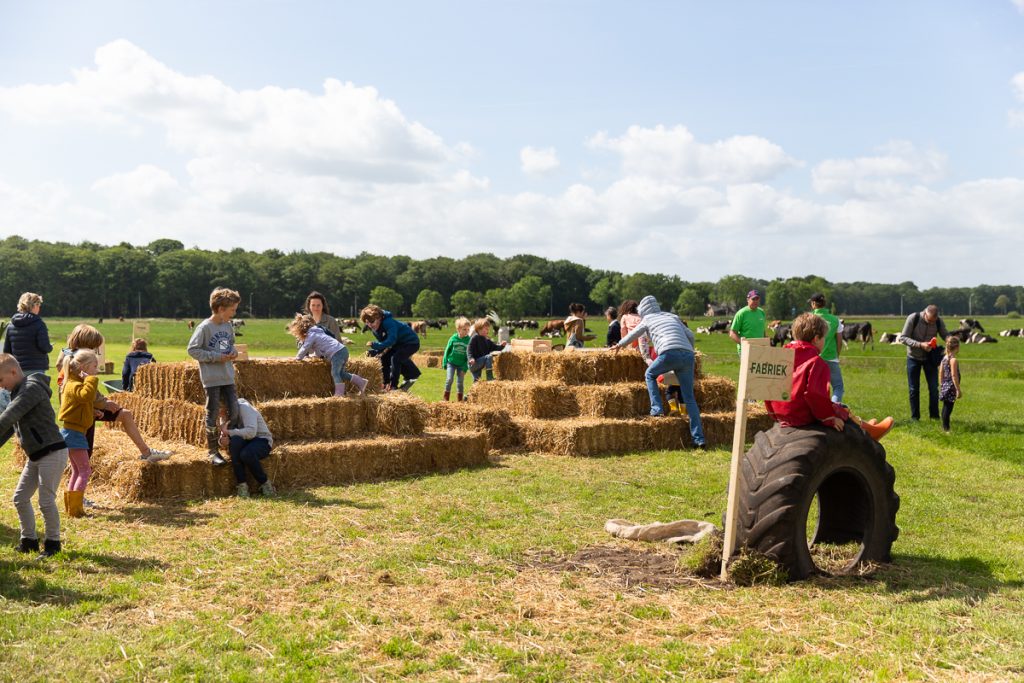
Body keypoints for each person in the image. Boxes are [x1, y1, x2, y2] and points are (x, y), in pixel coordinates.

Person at [57, 324, 171, 469]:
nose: (94, 351)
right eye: (93, 347)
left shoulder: (72, 359)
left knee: (125, 414)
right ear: (85, 344)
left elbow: (87, 388)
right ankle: (75, 477)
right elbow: (81, 392)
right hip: (82, 410)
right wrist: (103, 404)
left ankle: (146, 452)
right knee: (84, 451)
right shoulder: (75, 365)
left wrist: (103, 402)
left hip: (90, 405)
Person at [766, 313, 893, 440]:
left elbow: (768, 388)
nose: (824, 341)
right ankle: (869, 432)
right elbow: (815, 395)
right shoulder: (816, 362)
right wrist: (828, 418)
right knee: (841, 409)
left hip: (782, 414)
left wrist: (773, 413)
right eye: (824, 338)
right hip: (802, 416)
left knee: (838, 408)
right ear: (816, 339)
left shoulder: (780, 357)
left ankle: (863, 426)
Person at [613, 295, 706, 449]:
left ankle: (656, 409)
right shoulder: (673, 316)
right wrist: (689, 350)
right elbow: (690, 335)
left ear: (643, 310)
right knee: (690, 398)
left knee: (649, 374)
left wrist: (619, 345)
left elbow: (634, 334)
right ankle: (699, 439)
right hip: (688, 355)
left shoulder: (647, 319)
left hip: (669, 352)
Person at [0, 353, 68, 558]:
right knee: (20, 498)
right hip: (37, 455)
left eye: (0, 380)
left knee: (46, 501)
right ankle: (29, 540)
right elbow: (12, 426)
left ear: (13, 371)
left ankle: (53, 545)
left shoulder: (31, 389)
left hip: (52, 452)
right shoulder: (19, 391)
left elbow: (8, 416)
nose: (1, 386)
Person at [188, 287, 242, 465]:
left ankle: (228, 442)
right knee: (212, 414)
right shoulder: (204, 327)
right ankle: (213, 451)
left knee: (234, 411)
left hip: (227, 376)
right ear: (221, 309)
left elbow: (231, 345)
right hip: (212, 379)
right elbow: (193, 350)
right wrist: (215, 357)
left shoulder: (227, 326)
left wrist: (233, 352)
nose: (234, 314)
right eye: (232, 310)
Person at [58, 349, 102, 518]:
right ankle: (76, 511)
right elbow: (86, 395)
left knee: (77, 471)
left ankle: (72, 507)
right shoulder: (74, 385)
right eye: (94, 366)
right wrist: (90, 379)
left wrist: (93, 412)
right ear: (83, 367)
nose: (97, 370)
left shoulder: (74, 384)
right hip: (74, 434)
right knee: (85, 471)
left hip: (74, 433)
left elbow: (81, 404)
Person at [288, 313, 367, 396]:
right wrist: (318, 356)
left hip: (337, 353)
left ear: (302, 331)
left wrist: (297, 359)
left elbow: (305, 347)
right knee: (341, 374)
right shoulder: (318, 332)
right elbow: (319, 349)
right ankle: (361, 382)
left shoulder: (311, 335)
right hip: (342, 350)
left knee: (335, 373)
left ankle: (339, 394)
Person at [1, 292, 52, 413]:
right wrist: (50, 347)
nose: (39, 308)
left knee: (17, 405)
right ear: (34, 306)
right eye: (38, 305)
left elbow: (7, 351)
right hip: (36, 369)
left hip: (17, 371)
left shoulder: (11, 325)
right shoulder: (39, 324)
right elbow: (44, 347)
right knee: (38, 405)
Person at [898, 304, 949, 421]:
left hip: (930, 359)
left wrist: (951, 341)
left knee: (933, 388)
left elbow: (945, 334)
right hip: (913, 358)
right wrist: (920, 345)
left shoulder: (938, 321)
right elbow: (903, 338)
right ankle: (915, 418)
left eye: (934, 321)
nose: (932, 323)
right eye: (929, 320)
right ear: (925, 313)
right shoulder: (913, 318)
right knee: (913, 389)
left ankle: (934, 417)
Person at [218, 399, 275, 498]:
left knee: (246, 454)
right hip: (244, 441)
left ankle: (265, 483)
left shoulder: (244, 408)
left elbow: (251, 432)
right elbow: (224, 436)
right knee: (235, 443)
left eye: (218, 409)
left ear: (225, 407)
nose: (218, 413)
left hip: (261, 439)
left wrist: (229, 433)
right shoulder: (224, 415)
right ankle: (242, 485)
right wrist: (222, 441)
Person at [360, 305, 421, 391]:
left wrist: (376, 345)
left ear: (379, 318)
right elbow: (384, 345)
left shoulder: (388, 322)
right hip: (397, 344)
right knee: (384, 358)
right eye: (367, 322)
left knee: (395, 358)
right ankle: (386, 384)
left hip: (411, 342)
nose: (370, 325)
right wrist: (374, 352)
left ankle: (393, 386)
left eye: (372, 321)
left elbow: (391, 340)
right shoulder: (374, 329)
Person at [809, 293, 845, 403]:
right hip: (831, 358)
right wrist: (836, 355)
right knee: (838, 387)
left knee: (813, 388)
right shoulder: (835, 319)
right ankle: (834, 409)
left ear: (813, 304)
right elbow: (839, 341)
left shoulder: (809, 319)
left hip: (812, 359)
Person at [468, 318, 506, 383]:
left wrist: (502, 346)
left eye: (488, 329)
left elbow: (495, 347)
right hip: (473, 363)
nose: (488, 331)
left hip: (479, 364)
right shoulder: (475, 338)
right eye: (486, 329)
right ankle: (489, 377)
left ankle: (471, 393)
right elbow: (469, 349)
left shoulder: (487, 341)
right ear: (479, 329)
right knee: (489, 356)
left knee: (477, 382)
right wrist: (471, 358)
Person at [441, 317, 471, 401]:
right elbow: (447, 350)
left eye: (468, 329)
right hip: (451, 363)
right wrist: (444, 362)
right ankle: (445, 399)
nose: (467, 331)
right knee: (449, 379)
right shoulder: (453, 338)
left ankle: (459, 401)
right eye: (464, 329)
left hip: (462, 365)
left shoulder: (469, 340)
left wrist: (465, 368)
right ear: (458, 329)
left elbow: (468, 356)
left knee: (460, 383)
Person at [939, 336, 963, 433]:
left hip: (945, 385)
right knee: (948, 408)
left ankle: (944, 427)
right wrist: (958, 389)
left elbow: (940, 372)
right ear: (957, 347)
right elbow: (954, 375)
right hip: (951, 387)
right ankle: (946, 429)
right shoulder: (953, 360)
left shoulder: (944, 358)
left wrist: (941, 384)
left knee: (945, 406)